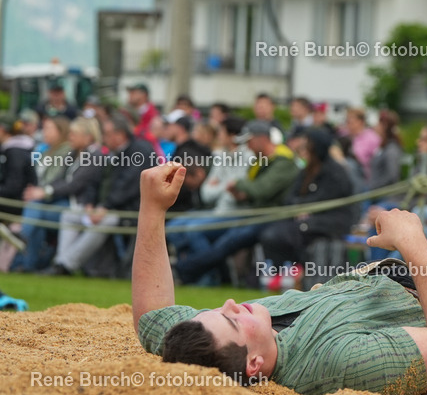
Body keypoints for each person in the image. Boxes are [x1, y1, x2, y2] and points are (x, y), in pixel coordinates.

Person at [133, 163, 427, 395]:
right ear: (253, 366)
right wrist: (412, 242)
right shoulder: (338, 363)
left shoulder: (202, 352)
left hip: (395, 283)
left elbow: (152, 316)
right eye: (231, 322)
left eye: (218, 311)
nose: (231, 305)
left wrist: (152, 209)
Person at [174, 120, 299, 285]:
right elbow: (254, 191)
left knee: (222, 242)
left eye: (249, 141)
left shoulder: (283, 161)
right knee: (220, 242)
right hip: (255, 214)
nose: (247, 146)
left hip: (270, 217)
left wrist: (238, 184)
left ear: (262, 138)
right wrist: (243, 190)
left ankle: (187, 271)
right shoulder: (263, 160)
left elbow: (261, 189)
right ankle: (196, 274)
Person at [44, 114, 154, 275]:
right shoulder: (111, 153)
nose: (103, 138)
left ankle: (65, 265)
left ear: (120, 134)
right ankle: (61, 262)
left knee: (105, 221)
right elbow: (95, 181)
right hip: (106, 207)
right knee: (69, 215)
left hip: (131, 210)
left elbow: (128, 186)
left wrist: (104, 206)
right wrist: (90, 203)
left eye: (107, 134)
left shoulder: (140, 151)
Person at [12, 117, 103, 272]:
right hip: (63, 202)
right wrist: (42, 191)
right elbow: (59, 179)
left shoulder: (95, 156)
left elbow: (75, 184)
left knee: (36, 211)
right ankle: (28, 263)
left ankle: (22, 241)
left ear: (88, 136)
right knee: (36, 213)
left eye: (74, 134)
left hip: (78, 206)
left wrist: (45, 192)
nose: (70, 137)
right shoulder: (74, 153)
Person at [258, 128, 355, 270]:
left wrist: (304, 208)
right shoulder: (307, 170)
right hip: (304, 219)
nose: (302, 149)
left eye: (307, 145)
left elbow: (323, 200)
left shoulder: (335, 173)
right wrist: (299, 208)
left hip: (328, 222)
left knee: (279, 235)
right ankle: (286, 273)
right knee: (270, 233)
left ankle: (299, 272)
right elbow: (290, 197)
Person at [367, 109, 404, 192]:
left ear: (385, 125)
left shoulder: (392, 149)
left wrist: (374, 188)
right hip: (375, 191)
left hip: (383, 195)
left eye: (378, 123)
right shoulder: (384, 146)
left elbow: (392, 175)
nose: (375, 126)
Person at [344, 107, 380, 180]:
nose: (347, 125)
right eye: (347, 122)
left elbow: (377, 163)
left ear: (360, 122)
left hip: (365, 178)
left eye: (350, 122)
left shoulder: (372, 138)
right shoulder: (343, 136)